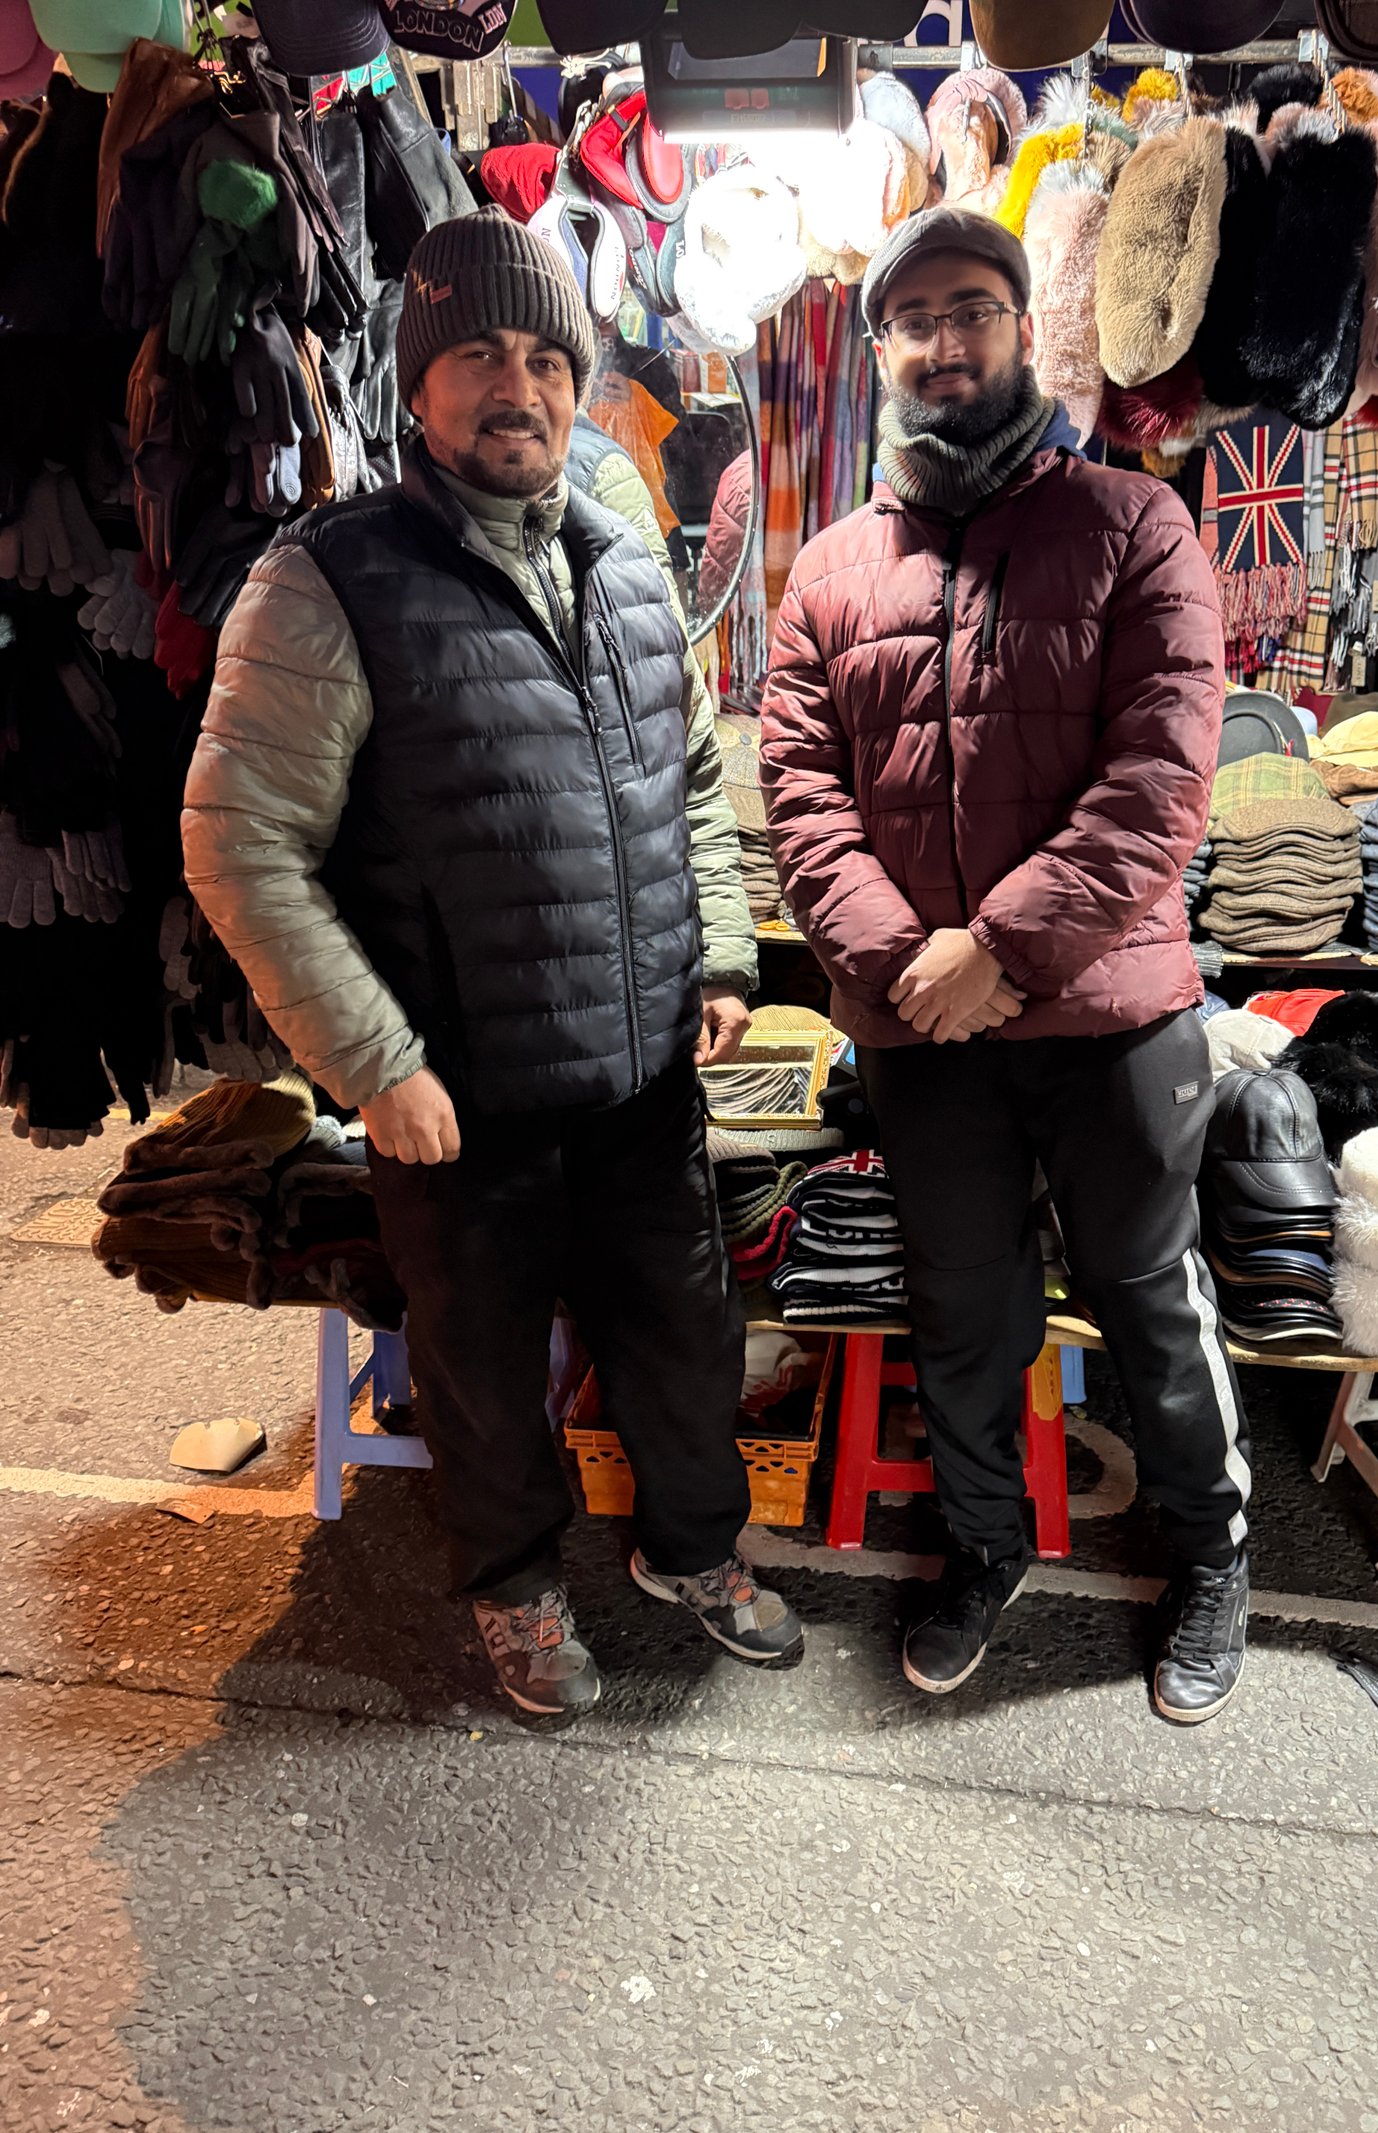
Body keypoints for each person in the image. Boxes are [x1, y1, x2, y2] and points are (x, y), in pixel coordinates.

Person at [184, 209, 803, 1715]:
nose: (515, 384)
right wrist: (377, 1064)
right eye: (476, 352)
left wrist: (721, 950)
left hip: (647, 1070)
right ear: (416, 385)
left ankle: (691, 1548)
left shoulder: (630, 556)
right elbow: (237, 845)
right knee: (479, 1369)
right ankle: (515, 1588)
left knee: (682, 1335)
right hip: (459, 1096)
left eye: (543, 354)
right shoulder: (323, 584)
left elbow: (688, 779)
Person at [760, 207, 1248, 1724]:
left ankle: (1213, 1550)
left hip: (1111, 1013)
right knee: (966, 1310)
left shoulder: (1131, 523)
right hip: (924, 1027)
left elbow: (1162, 771)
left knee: (1148, 1294)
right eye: (915, 318)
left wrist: (1003, 950)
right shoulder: (832, 570)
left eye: (974, 308)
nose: (946, 339)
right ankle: (985, 1543)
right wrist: (911, 963)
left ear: (1025, 327)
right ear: (883, 346)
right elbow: (799, 786)